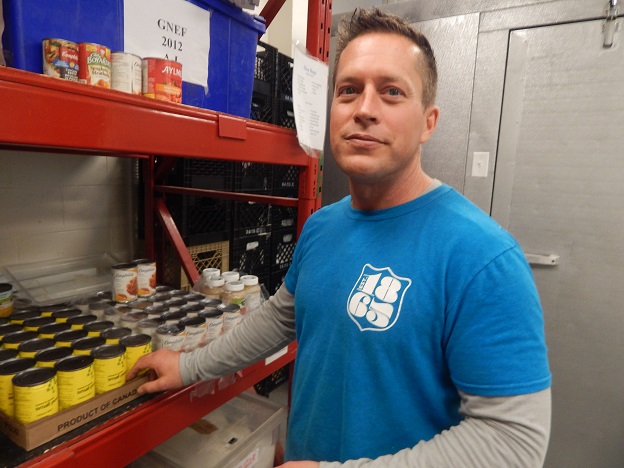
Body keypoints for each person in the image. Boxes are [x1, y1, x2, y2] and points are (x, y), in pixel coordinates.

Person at [127, 8, 551, 467]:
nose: (364, 110)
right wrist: (187, 364)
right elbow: (278, 319)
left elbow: (513, 444)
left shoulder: (482, 258)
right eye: (349, 90)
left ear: (429, 121)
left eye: (391, 92)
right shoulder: (324, 227)